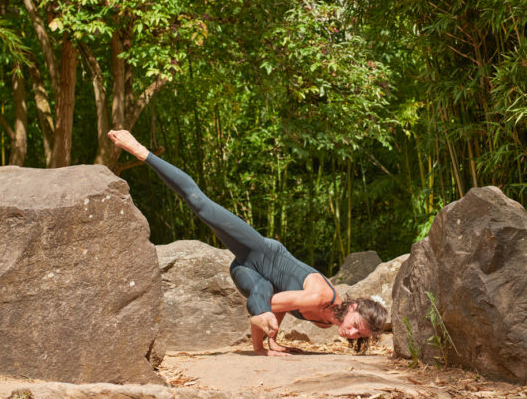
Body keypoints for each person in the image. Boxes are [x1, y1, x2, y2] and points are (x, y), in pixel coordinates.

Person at [108, 129, 388, 356]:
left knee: (262, 290)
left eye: (358, 335)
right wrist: (265, 320)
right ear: (353, 308)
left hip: (248, 274)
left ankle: (260, 348)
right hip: (260, 253)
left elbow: (273, 303)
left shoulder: (328, 321)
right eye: (355, 326)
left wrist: (266, 345)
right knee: (201, 206)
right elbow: (266, 304)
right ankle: (141, 151)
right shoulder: (321, 298)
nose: (351, 333)